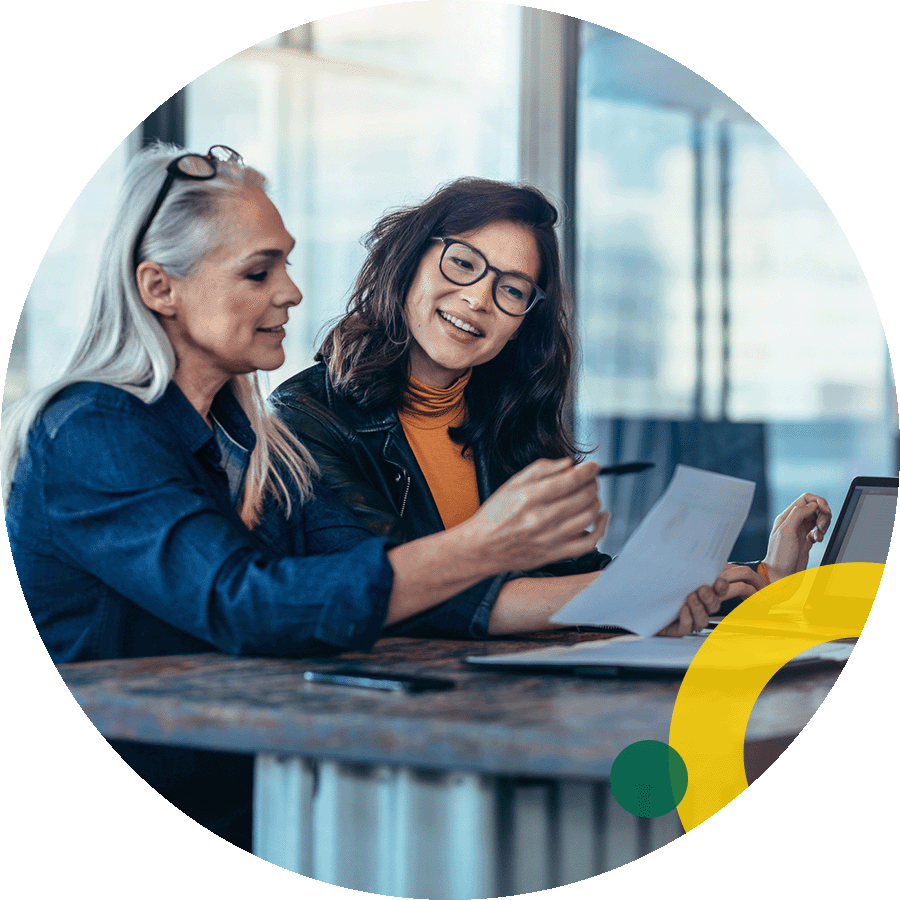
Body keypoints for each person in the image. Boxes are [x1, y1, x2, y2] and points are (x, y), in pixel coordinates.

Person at [2, 146, 729, 850]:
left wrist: (638, 593)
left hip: (253, 781)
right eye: (260, 271)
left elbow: (379, 576)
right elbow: (245, 602)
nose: (291, 291)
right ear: (159, 287)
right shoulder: (92, 431)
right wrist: (486, 546)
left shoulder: (252, 442)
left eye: (284, 264)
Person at [271, 177, 833, 619]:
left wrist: (760, 577)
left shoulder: (509, 417)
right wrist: (627, 595)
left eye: (511, 289)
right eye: (463, 263)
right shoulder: (307, 417)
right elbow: (392, 592)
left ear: (523, 320)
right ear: (409, 260)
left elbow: (574, 575)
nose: (477, 300)